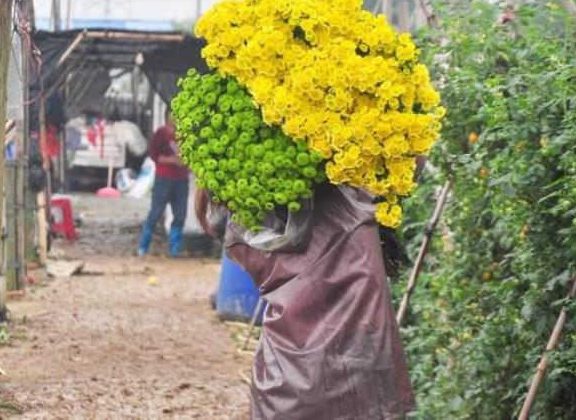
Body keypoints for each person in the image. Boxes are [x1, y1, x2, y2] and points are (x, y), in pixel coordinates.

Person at [195, 184, 415, 419]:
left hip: (285, 384)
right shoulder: (354, 200)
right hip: (363, 373)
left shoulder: (243, 220)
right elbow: (410, 166)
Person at [137, 108, 189, 257]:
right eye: (172, 115)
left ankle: (175, 250)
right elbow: (155, 156)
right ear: (166, 116)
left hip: (181, 180)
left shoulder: (185, 136)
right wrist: (173, 160)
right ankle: (143, 247)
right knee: (155, 213)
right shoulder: (160, 134)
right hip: (164, 179)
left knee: (180, 215)